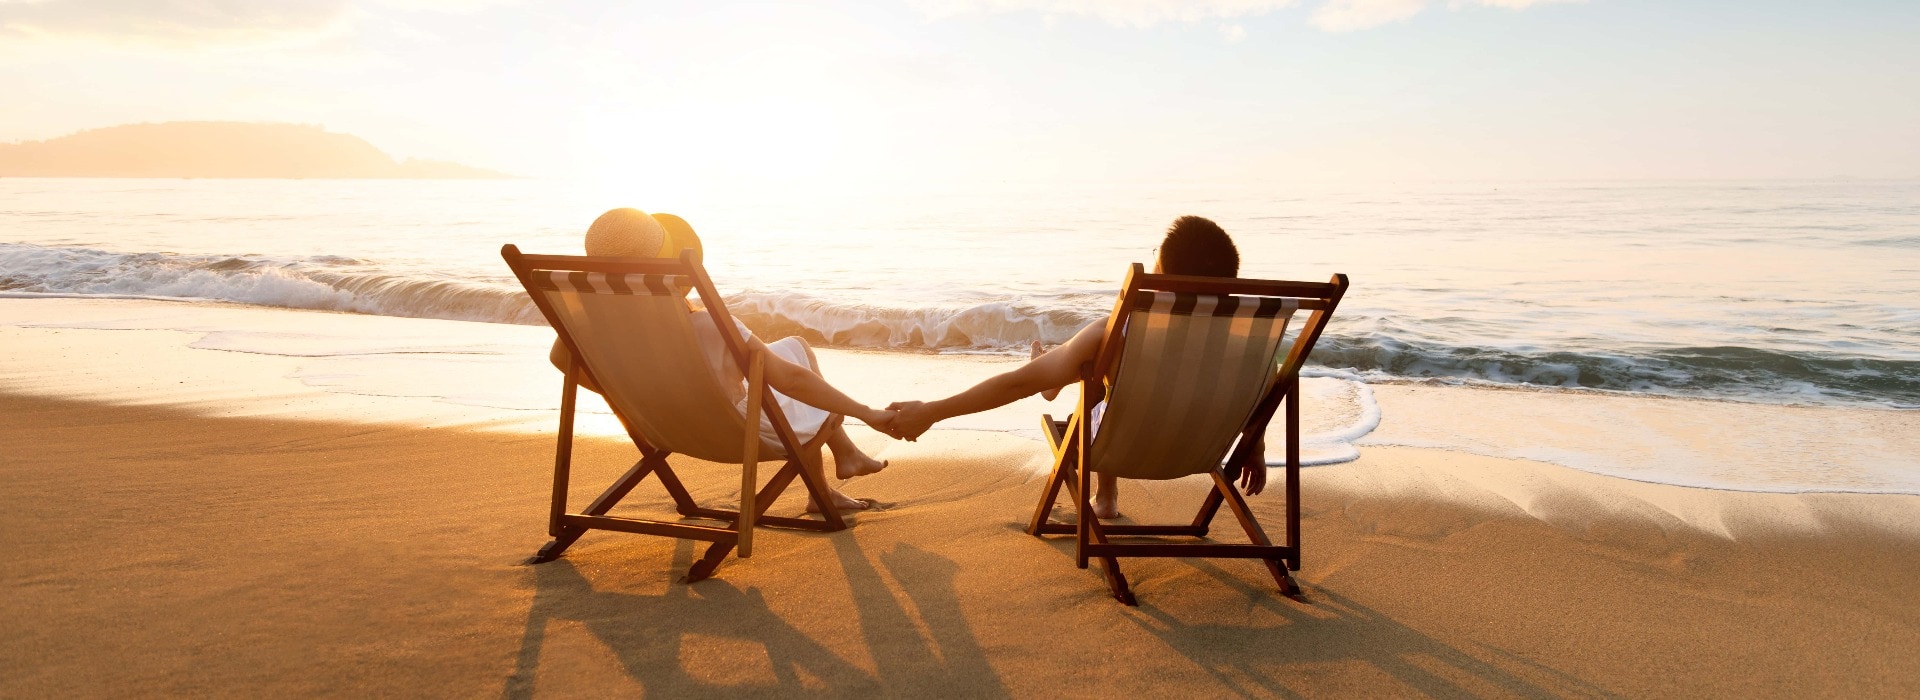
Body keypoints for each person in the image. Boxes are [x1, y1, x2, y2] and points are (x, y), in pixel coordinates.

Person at [882, 216, 1265, 519]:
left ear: (1162, 278)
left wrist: (933, 411)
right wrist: (1255, 446)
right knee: (1102, 377)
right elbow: (1259, 392)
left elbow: (1018, 384)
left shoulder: (1122, 330)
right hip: (1202, 451)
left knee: (1094, 376)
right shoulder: (1252, 340)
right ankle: (1061, 372)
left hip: (1118, 446)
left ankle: (1100, 485)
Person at [549, 208, 892, 512]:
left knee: (792, 346)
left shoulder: (589, 326)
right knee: (796, 359)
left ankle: (833, 476)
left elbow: (560, 358)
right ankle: (832, 474)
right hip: (737, 431)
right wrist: (867, 412)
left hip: (663, 427)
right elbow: (791, 382)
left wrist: (628, 397)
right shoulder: (709, 326)